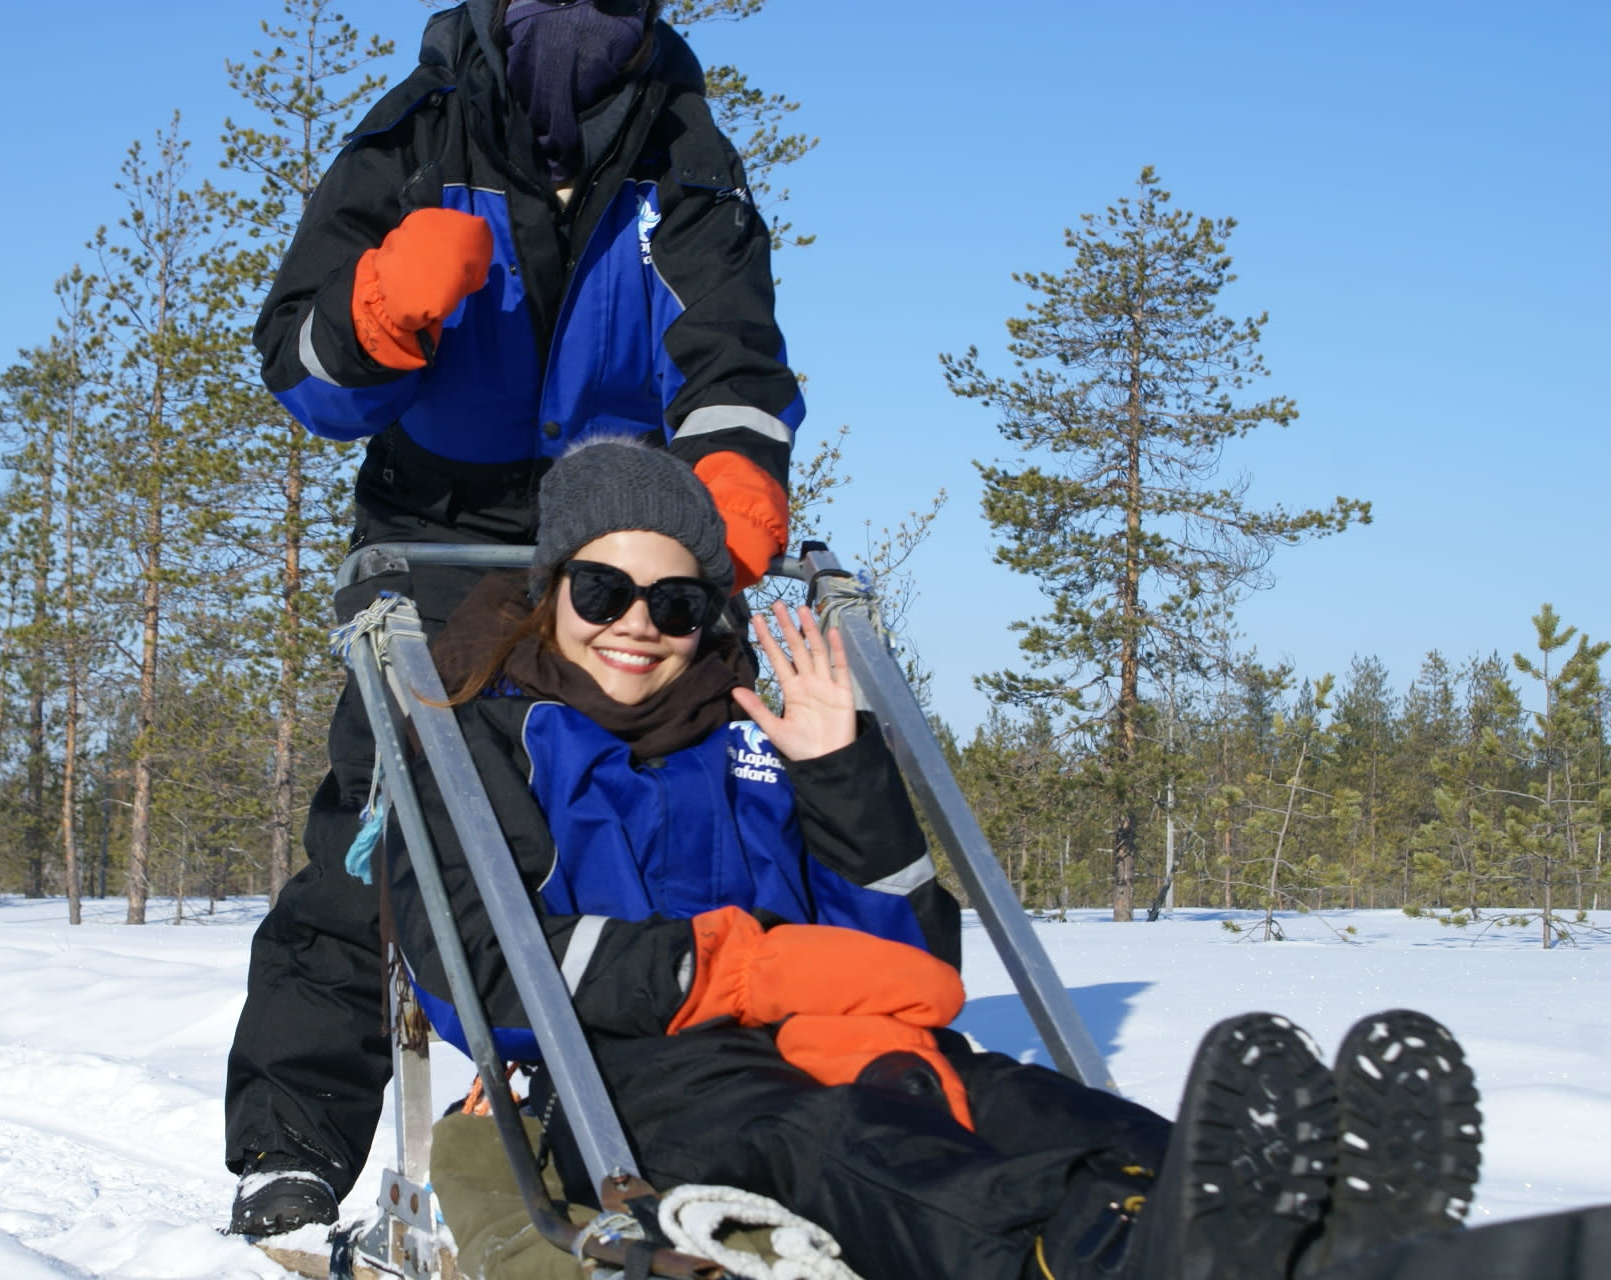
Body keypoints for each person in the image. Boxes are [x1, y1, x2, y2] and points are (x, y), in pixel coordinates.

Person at [381, 438, 1487, 1280]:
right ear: (550, 588)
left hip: (825, 1036)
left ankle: (1285, 1221)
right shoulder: (482, 724)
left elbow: (901, 957)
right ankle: (1093, 1255)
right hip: (616, 1073)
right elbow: (475, 966)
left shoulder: (749, 729)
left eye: (675, 600)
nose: (640, 624)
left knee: (1006, 1097)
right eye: (602, 590)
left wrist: (840, 769)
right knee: (831, 1138)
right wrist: (736, 970)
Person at [227, 0, 804, 1235]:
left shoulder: (685, 153)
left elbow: (733, 352)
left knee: (682, 795)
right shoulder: (414, 135)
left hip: (622, 544)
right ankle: (294, 1140)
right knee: (381, 836)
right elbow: (299, 365)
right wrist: (378, 314)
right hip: (441, 534)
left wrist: (736, 466)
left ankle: (693, 1087)